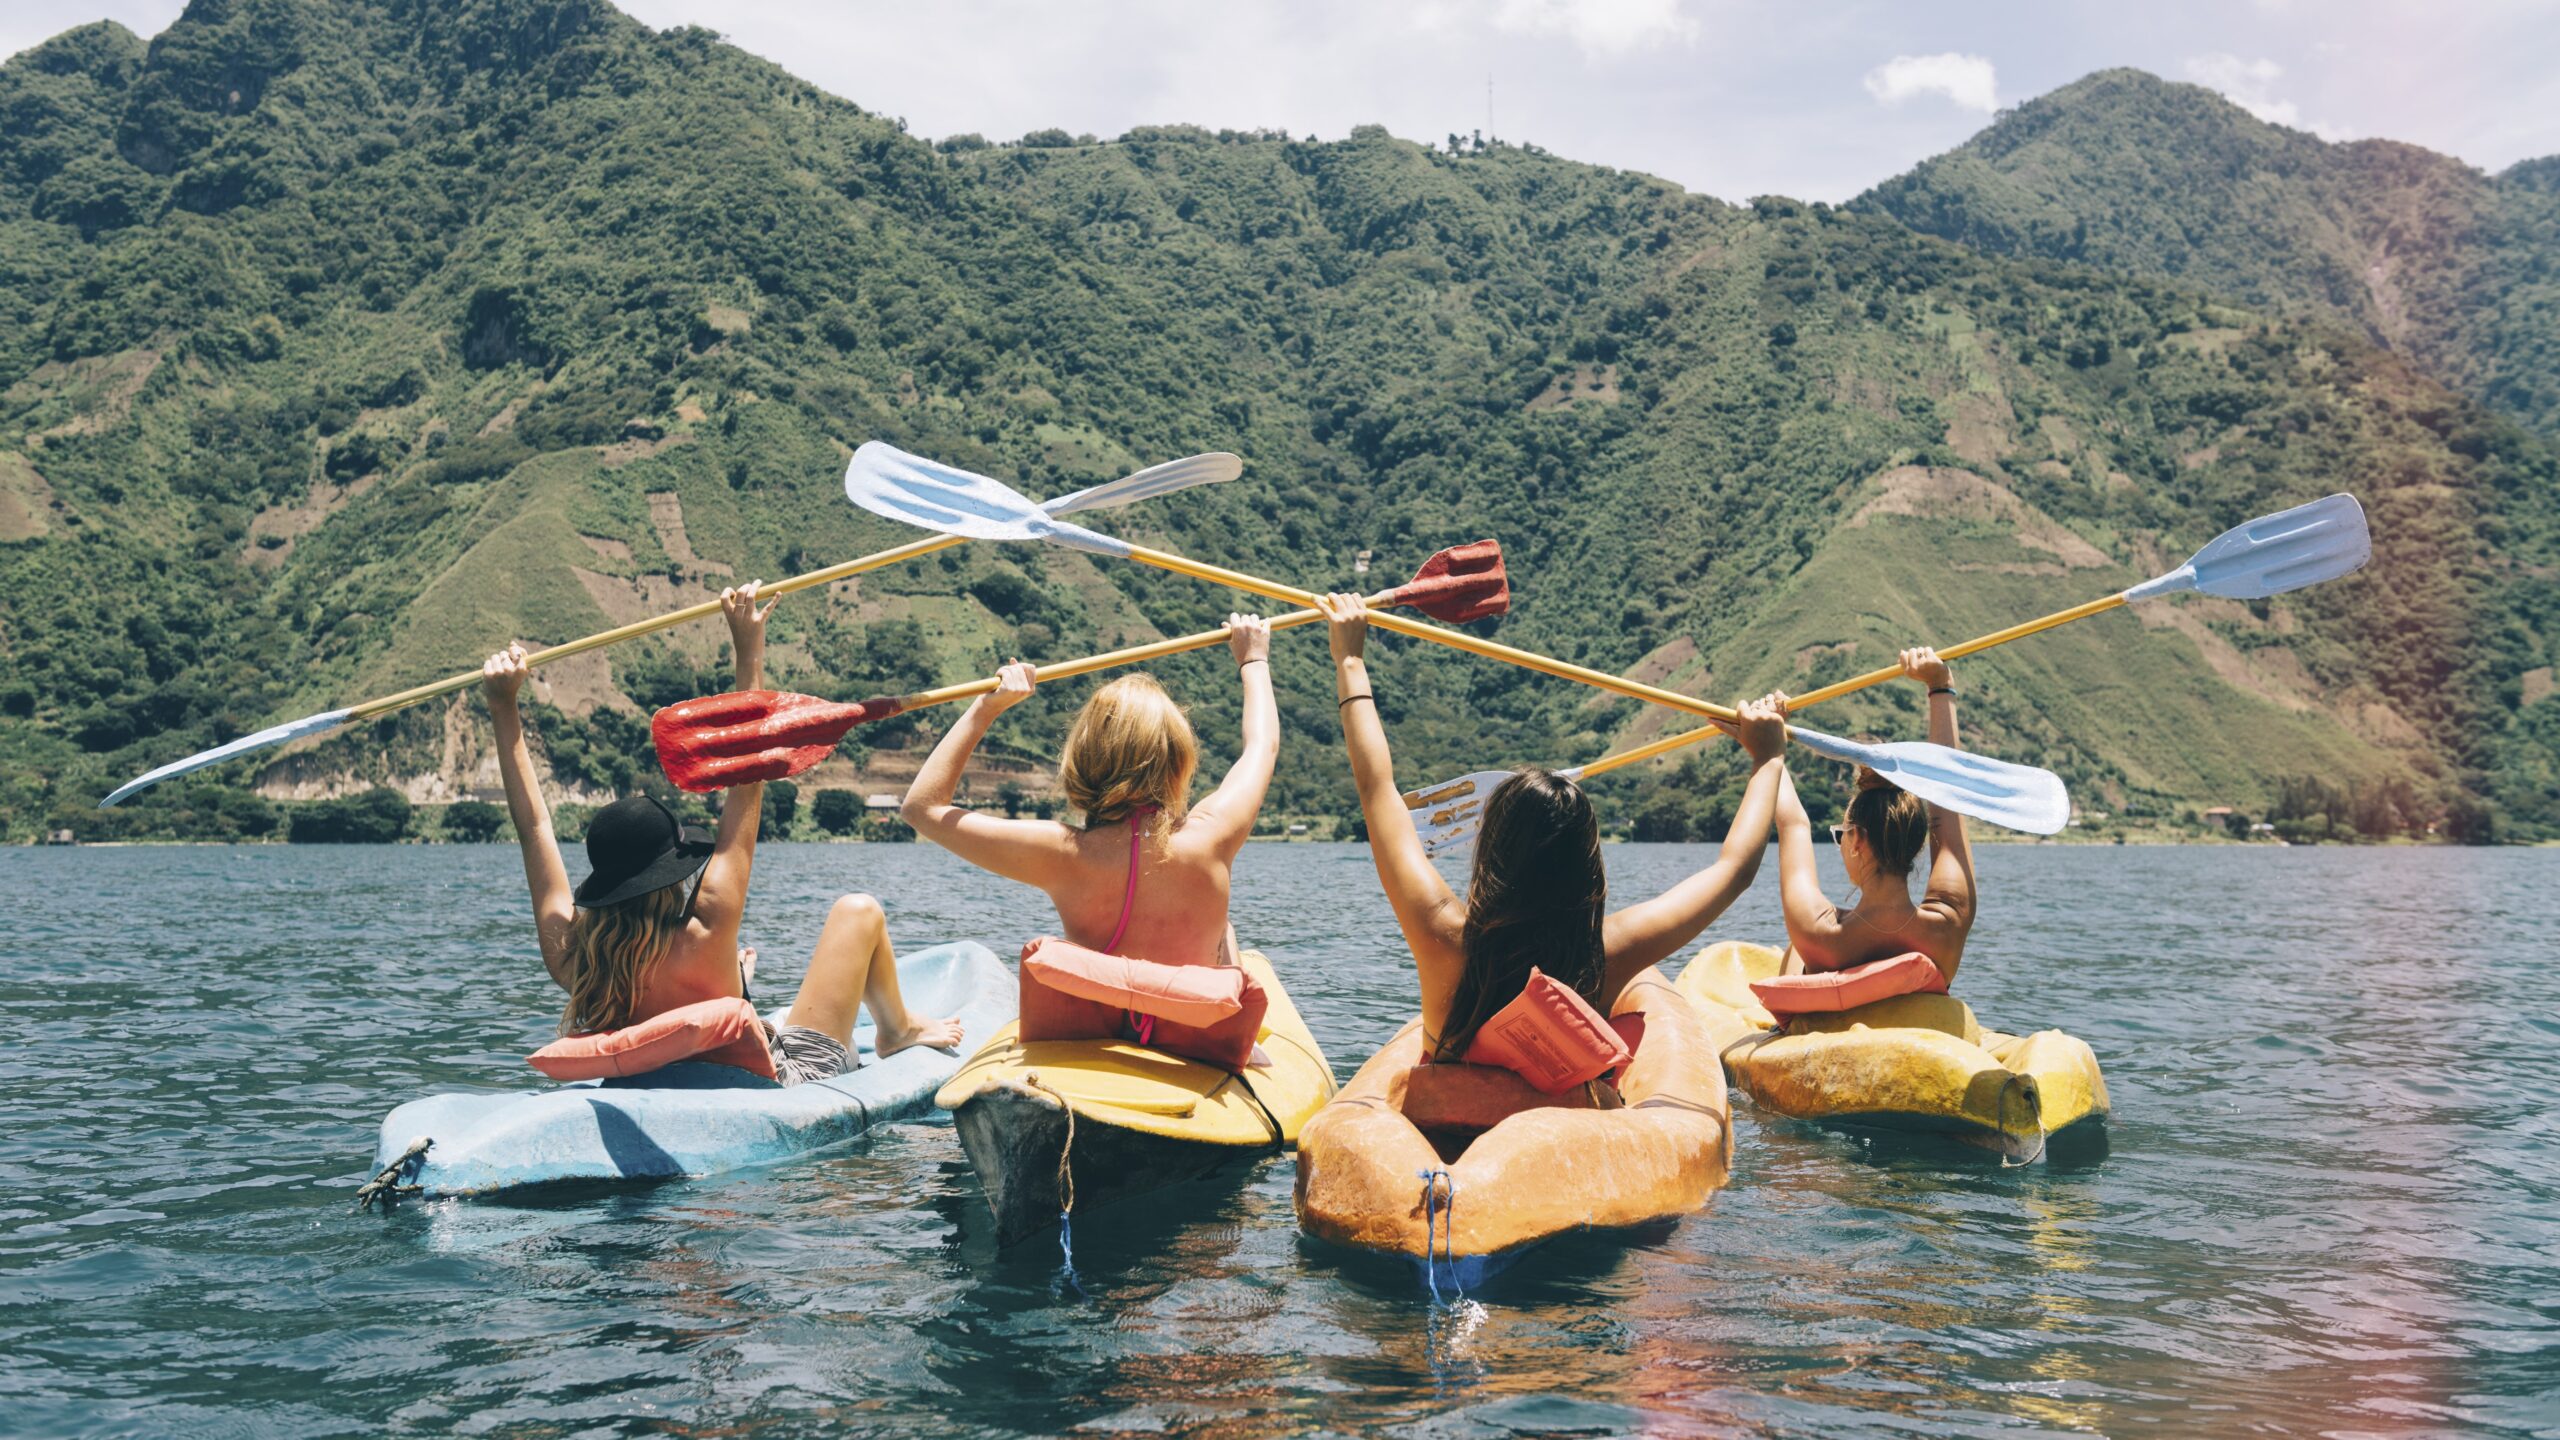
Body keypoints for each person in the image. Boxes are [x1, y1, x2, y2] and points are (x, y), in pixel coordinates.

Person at [481, 581, 961, 1083]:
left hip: (677, 1067)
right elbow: (749, 765)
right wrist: (748, 647)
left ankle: (748, 988)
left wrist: (502, 704)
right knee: (857, 911)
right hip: (786, 1076)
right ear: (669, 875)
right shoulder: (707, 927)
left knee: (741, 974)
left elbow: (533, 826)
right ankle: (896, 1030)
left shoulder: (576, 959)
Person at [1316, 592, 1790, 1059]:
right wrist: (1767, 759)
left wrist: (1350, 660)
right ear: (1588, 866)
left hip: (1445, 1130)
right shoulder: (1608, 952)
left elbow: (1376, 788)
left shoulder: (1441, 932)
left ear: (1491, 851)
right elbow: (1734, 871)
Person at [900, 615, 1277, 971]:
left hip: (1107, 1028)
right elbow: (1262, 746)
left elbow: (922, 809)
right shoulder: (1213, 832)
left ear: (1083, 759)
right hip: (1195, 1032)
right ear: (1179, 761)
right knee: (1224, 931)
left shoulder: (1062, 852)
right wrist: (1253, 661)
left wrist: (987, 707)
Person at [1770, 645, 1976, 982]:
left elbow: (1793, 825)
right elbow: (1947, 789)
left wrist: (1768, 746)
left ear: (1858, 840)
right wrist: (1941, 685)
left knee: (1795, 951)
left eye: (1842, 833)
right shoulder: (1949, 922)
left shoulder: (1817, 934)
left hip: (1823, 1004)